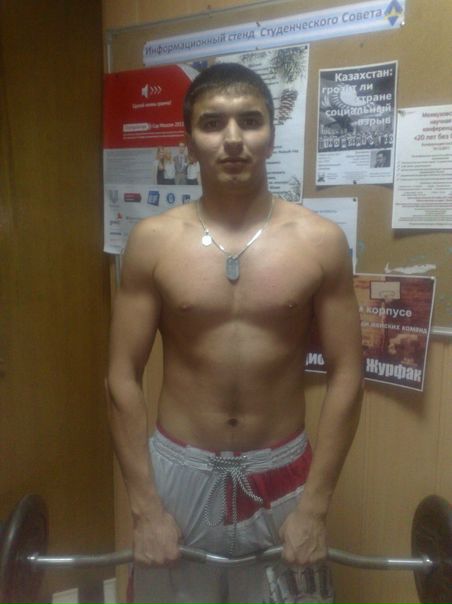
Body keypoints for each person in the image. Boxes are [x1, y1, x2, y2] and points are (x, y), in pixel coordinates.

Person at [106, 63, 363, 604]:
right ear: (188, 142)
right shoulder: (153, 241)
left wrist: (316, 507)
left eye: (250, 120)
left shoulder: (320, 242)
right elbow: (122, 376)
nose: (232, 139)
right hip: (178, 473)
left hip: (283, 473)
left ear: (270, 134)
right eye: (212, 123)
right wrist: (145, 508)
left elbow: (347, 375)